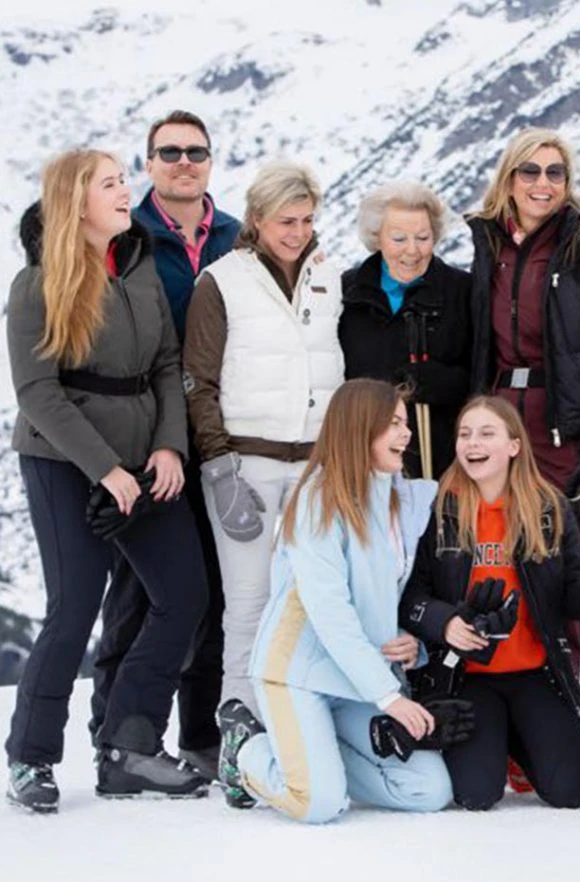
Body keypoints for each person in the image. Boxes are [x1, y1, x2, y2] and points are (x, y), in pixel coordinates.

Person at [5, 149, 209, 811]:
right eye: (112, 184)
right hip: (64, 462)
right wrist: (106, 470)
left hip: (147, 461)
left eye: (125, 180)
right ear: (77, 201)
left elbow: (165, 366)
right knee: (74, 609)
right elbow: (38, 394)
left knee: (184, 596)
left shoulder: (141, 268)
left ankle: (129, 745)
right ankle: (31, 758)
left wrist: (170, 450)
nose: (128, 191)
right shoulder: (35, 285)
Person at [215, 380, 452, 822]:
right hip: (299, 673)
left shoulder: (398, 499)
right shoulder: (318, 500)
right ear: (360, 428)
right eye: (394, 424)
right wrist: (389, 697)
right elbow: (331, 612)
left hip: (354, 680)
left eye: (405, 424)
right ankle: (247, 750)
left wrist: (411, 646)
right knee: (318, 803)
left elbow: (383, 598)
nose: (407, 435)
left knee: (428, 788)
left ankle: (315, 757)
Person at [89, 110, 241, 780]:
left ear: (211, 160)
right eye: (169, 152)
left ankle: (201, 737)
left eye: (196, 151)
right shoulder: (127, 235)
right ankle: (113, 736)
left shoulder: (238, 238)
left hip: (217, 432)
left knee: (213, 589)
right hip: (145, 439)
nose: (184, 162)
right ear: (149, 163)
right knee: (138, 592)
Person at [183, 161, 344, 733]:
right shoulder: (221, 281)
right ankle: (241, 723)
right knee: (248, 599)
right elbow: (197, 380)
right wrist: (220, 466)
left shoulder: (328, 278)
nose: (297, 232)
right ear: (255, 220)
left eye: (305, 220)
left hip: (313, 464)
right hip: (244, 461)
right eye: (285, 221)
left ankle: (304, 721)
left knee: (314, 595)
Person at [399, 396, 580, 810]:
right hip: (467, 675)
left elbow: (579, 599)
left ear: (514, 445)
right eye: (465, 434)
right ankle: (495, 743)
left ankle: (520, 741)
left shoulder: (549, 509)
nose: (473, 443)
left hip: (534, 672)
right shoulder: (438, 509)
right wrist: (447, 623)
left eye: (487, 433)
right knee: (476, 794)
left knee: (570, 790)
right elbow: (411, 596)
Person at [467, 127, 580, 492]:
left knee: (564, 537)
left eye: (555, 173)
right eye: (530, 171)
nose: (542, 183)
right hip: (499, 425)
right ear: (509, 180)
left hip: (563, 429)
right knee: (504, 537)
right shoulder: (488, 245)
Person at [340, 181, 472, 478]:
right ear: (377, 238)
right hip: (366, 458)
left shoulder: (462, 292)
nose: (412, 251)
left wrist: (442, 381)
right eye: (399, 238)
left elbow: (481, 374)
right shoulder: (348, 293)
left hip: (441, 460)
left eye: (423, 238)